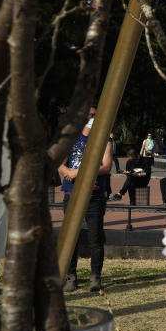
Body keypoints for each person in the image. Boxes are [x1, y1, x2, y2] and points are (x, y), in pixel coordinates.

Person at [58, 107, 113, 292]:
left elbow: (106, 166)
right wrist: (68, 173)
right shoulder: (71, 138)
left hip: (94, 196)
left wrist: (79, 172)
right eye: (89, 115)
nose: (92, 118)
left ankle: (95, 277)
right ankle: (71, 277)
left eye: (95, 115)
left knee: (95, 239)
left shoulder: (105, 139)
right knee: (70, 238)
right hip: (72, 194)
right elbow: (59, 161)